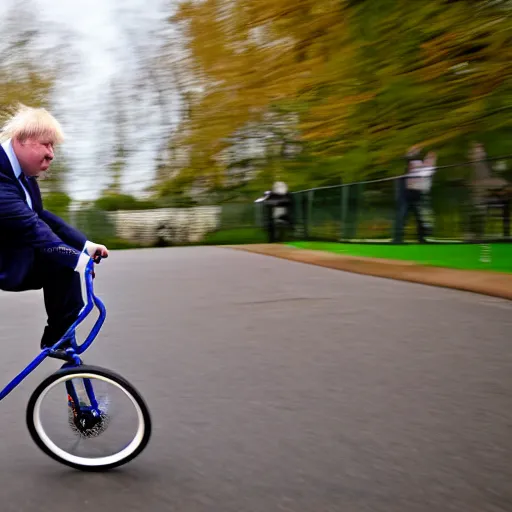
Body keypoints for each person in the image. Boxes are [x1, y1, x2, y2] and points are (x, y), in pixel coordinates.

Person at [0, 104, 109, 350]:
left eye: (53, 147)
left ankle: (62, 340)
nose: (52, 154)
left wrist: (85, 246)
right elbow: (34, 230)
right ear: (22, 139)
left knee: (63, 262)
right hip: (6, 262)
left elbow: (41, 217)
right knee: (61, 260)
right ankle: (60, 338)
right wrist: (79, 262)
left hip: (13, 256)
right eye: (46, 144)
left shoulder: (23, 175)